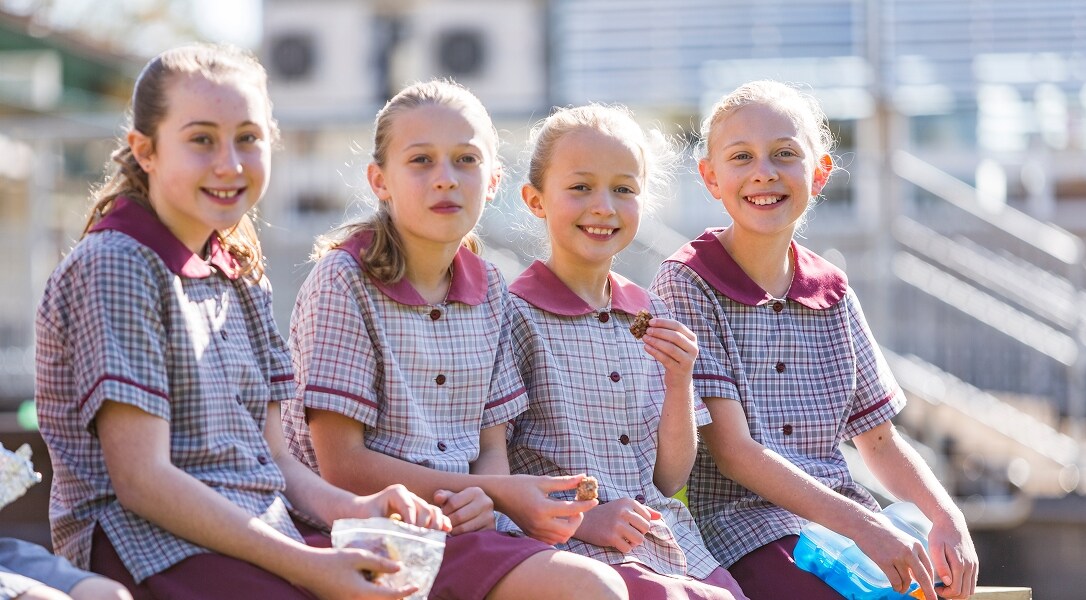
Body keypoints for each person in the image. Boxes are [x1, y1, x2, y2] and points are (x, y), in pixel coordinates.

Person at [34, 43, 449, 600]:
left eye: (247, 138)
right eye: (201, 139)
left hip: (258, 536)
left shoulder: (240, 272)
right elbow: (142, 483)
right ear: (146, 151)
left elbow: (275, 461)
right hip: (148, 551)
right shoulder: (117, 263)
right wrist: (308, 565)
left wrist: (357, 509)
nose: (229, 164)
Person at [281, 80, 628, 600]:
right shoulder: (342, 280)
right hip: (356, 534)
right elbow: (342, 466)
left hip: (459, 532)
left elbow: (491, 447)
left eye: (466, 160)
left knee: (595, 586)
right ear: (380, 180)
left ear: (492, 182)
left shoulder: (489, 287)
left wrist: (484, 502)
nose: (445, 179)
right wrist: (498, 493)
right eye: (421, 161)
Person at [649, 80, 979, 600]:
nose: (765, 171)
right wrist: (865, 528)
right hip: (746, 531)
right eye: (742, 157)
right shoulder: (688, 282)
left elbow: (879, 440)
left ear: (819, 173)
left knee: (935, 588)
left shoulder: (834, 292)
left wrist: (946, 517)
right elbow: (734, 451)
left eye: (785, 154)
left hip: (841, 526)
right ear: (710, 178)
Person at [505, 104, 749, 600]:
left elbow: (669, 475)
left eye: (623, 189)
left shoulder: (650, 312)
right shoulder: (513, 317)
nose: (604, 206)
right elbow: (494, 471)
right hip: (573, 548)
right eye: (580, 187)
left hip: (669, 543)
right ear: (535, 200)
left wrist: (680, 380)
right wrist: (587, 518)